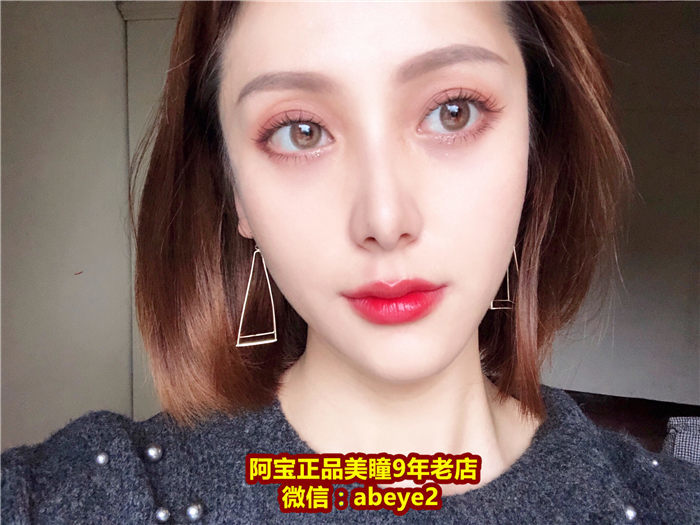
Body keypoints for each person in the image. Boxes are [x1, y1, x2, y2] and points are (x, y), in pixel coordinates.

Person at [2, 1, 698, 523]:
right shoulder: (80, 493)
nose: (385, 220)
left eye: (453, 111)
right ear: (236, 193)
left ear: (535, 151)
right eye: (300, 131)